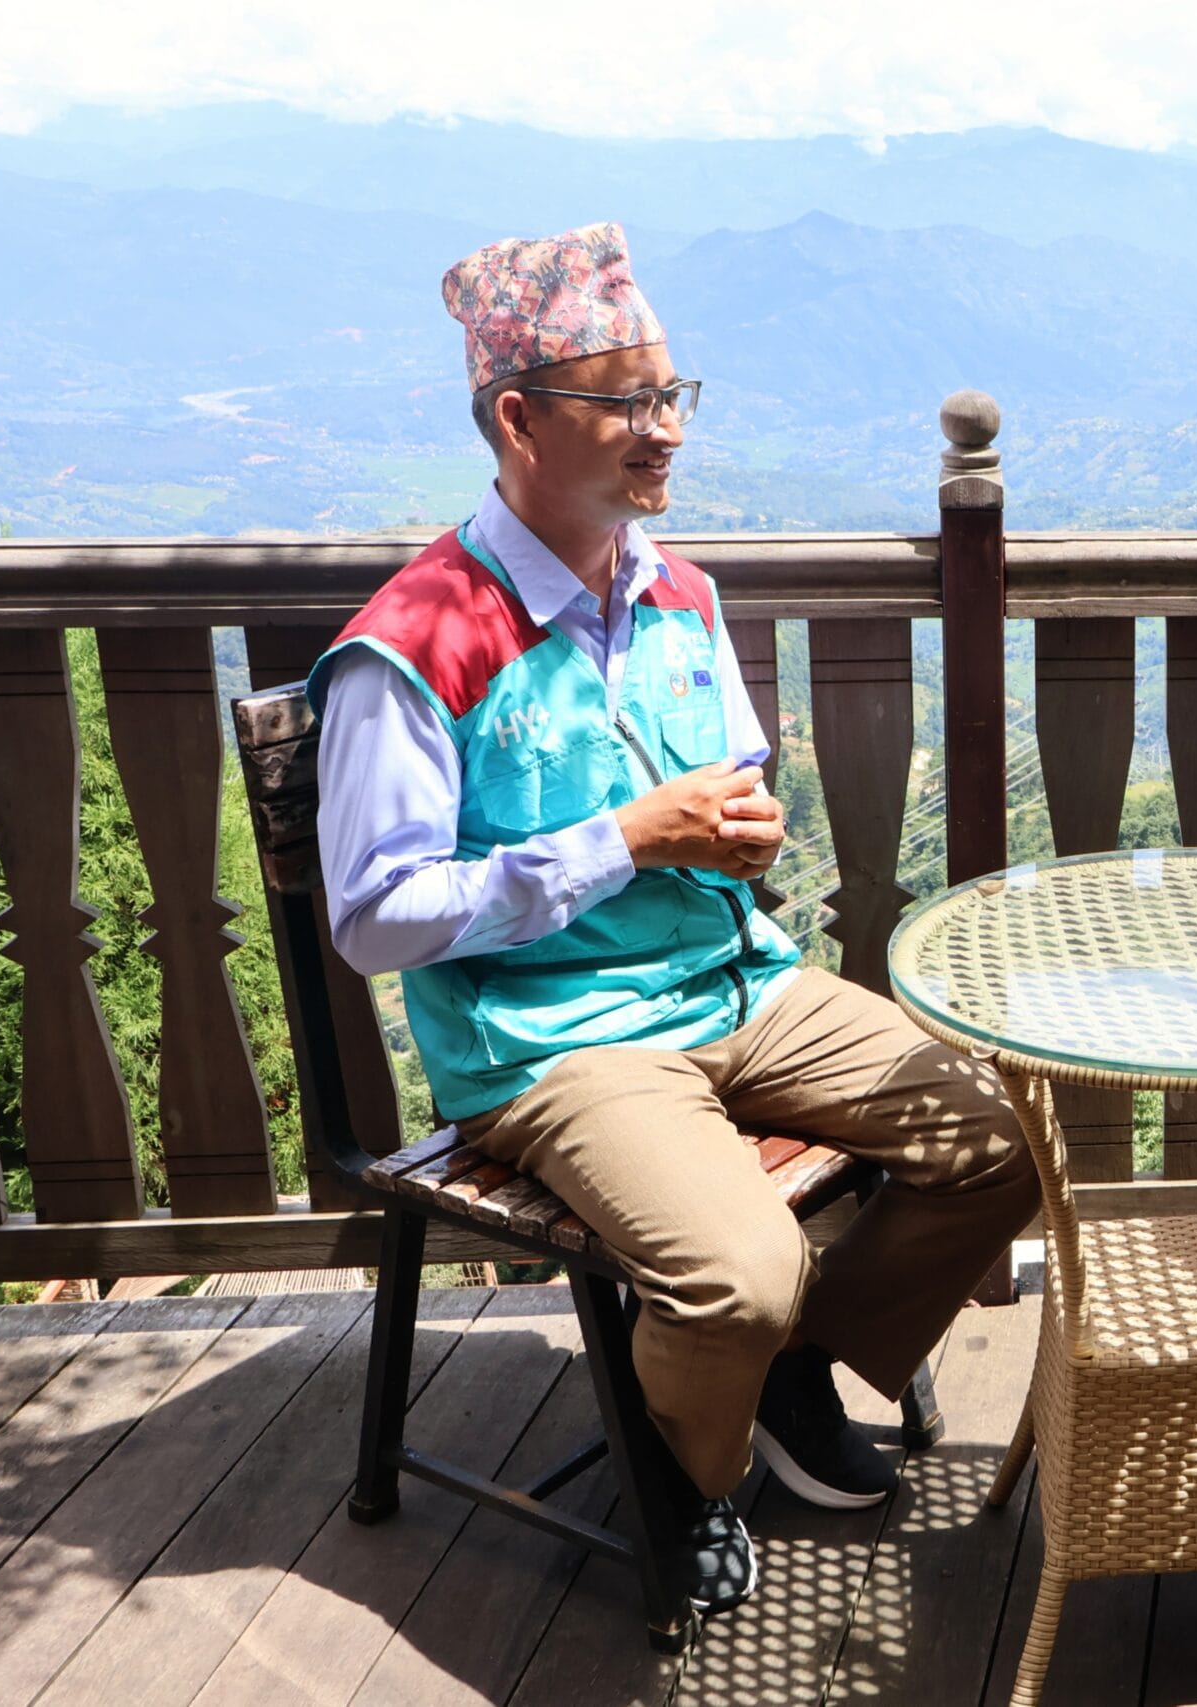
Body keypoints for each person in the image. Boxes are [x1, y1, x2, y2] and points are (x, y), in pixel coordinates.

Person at [309, 222, 1040, 1611]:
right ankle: (687, 1466)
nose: (664, 436)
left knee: (998, 1140)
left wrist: (736, 833)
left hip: (727, 979)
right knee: (735, 1276)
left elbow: (729, 782)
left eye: (670, 398)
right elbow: (378, 918)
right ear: (520, 420)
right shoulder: (414, 645)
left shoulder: (675, 593)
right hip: (558, 1044)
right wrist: (625, 838)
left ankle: (789, 1378)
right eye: (627, 404)